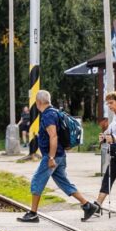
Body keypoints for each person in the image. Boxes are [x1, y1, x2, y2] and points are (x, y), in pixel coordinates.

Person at [18, 90, 100, 223]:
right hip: (60, 155)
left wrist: (51, 157)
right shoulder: (55, 112)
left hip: (53, 156)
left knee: (37, 181)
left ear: (38, 102)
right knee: (64, 183)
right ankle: (88, 206)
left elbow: (53, 136)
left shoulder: (48, 115)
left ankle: (33, 213)